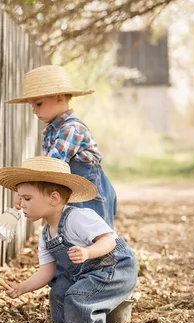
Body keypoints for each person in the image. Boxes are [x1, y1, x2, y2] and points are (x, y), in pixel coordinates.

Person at [0, 156, 137, 323]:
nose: (21, 205)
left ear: (54, 198)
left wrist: (88, 253)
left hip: (114, 268)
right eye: (20, 198)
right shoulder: (46, 235)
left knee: (79, 297)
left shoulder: (77, 217)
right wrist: (22, 288)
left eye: (27, 198)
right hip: (86, 274)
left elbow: (108, 241)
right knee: (59, 292)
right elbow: (46, 273)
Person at [7, 64, 118, 228]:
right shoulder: (52, 131)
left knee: (95, 232)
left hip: (90, 194)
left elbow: (52, 166)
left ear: (59, 98)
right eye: (32, 106)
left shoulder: (71, 129)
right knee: (71, 232)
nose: (34, 111)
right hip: (70, 193)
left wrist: (22, 191)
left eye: (38, 104)